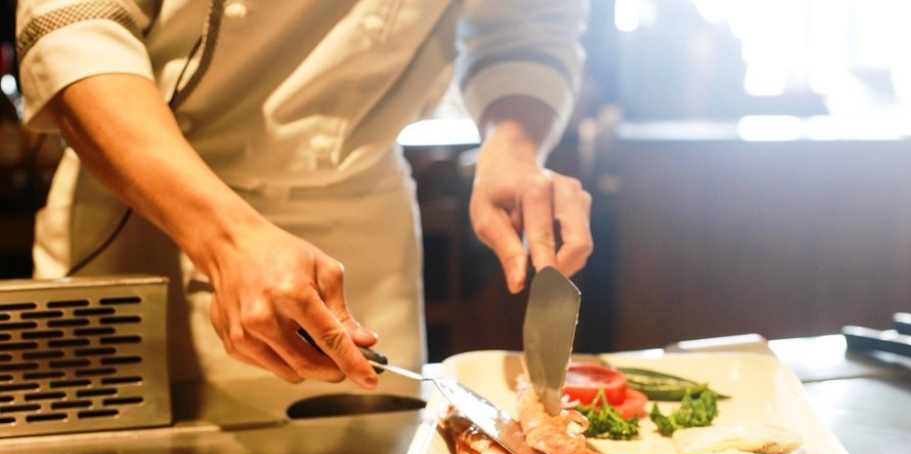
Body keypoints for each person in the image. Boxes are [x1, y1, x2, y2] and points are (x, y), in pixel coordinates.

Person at [14, 0, 593, 387]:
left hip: (361, 226)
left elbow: (526, 28)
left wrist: (514, 147)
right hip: (149, 202)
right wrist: (225, 240)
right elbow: (75, 27)